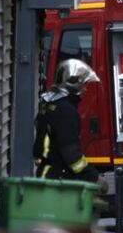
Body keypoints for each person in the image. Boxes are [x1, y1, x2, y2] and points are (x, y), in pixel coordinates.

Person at [33, 59, 106, 191]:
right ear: (74, 85)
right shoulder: (65, 111)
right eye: (83, 84)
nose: (85, 89)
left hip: (47, 175)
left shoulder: (50, 104)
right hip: (58, 181)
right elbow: (72, 156)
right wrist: (95, 178)